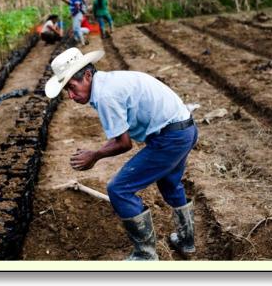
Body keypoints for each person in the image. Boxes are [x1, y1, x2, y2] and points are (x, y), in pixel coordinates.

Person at [45, 47, 198, 261]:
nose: (70, 96)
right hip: (185, 128)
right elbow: (121, 136)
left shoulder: (105, 95)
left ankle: (146, 255)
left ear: (87, 75)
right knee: (170, 184)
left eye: (72, 87)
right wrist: (96, 153)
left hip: (170, 138)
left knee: (119, 189)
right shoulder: (108, 82)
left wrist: (95, 155)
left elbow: (124, 144)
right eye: (66, 91)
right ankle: (186, 241)